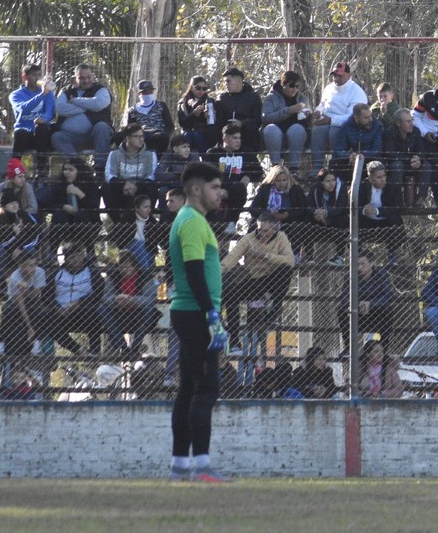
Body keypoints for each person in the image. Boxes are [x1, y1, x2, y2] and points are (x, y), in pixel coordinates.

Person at [168, 160, 231, 482]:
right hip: (195, 313)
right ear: (196, 189)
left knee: (188, 390)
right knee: (206, 390)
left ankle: (181, 466)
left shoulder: (193, 219)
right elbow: (194, 271)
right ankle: (201, 466)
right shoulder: (192, 221)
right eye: (215, 187)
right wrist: (212, 316)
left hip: (190, 312)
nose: (221, 193)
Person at [220, 211, 295, 354]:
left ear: (275, 229)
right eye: (260, 229)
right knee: (230, 292)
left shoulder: (281, 237)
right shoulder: (248, 239)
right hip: (254, 280)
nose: (262, 234)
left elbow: (290, 260)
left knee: (286, 270)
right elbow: (232, 257)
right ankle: (234, 341)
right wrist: (219, 271)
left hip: (274, 279)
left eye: (266, 231)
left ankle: (274, 311)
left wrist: (265, 255)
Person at [98, 249, 159, 356]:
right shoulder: (113, 276)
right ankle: (122, 347)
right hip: (119, 313)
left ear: (134, 266)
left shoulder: (144, 276)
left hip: (138, 313)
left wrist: (133, 300)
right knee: (101, 309)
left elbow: (151, 298)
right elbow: (105, 297)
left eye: (128, 266)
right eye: (121, 267)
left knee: (149, 310)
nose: (124, 269)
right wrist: (115, 299)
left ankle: (135, 347)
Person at [204, 121, 264, 227]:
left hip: (236, 190)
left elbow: (258, 170)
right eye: (234, 138)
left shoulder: (246, 152)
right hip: (217, 189)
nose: (238, 141)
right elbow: (205, 174)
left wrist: (248, 176)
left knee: (239, 188)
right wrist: (219, 190)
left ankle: (232, 223)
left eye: (239, 138)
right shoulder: (213, 153)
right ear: (225, 139)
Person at [310, 61, 368, 167]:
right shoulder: (328, 88)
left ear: (348, 75)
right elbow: (322, 104)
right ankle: (317, 167)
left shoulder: (357, 92)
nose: (336, 78)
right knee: (317, 130)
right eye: (334, 75)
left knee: (335, 131)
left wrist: (331, 120)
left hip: (347, 126)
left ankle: (336, 165)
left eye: (339, 75)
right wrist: (318, 111)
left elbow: (352, 117)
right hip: (326, 121)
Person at [339, 249, 396, 355]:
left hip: (376, 314)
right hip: (358, 314)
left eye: (363, 264)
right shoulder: (350, 276)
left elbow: (388, 295)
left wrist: (371, 304)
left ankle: (383, 348)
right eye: (357, 264)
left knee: (388, 309)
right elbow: (345, 297)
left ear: (372, 263)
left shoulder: (381, 273)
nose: (360, 267)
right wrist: (358, 305)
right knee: (341, 310)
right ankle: (349, 348)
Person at [260, 71, 310, 169]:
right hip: (276, 133)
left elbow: (305, 121)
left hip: (296, 135)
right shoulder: (271, 98)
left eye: (297, 86)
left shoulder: (302, 98)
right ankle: (276, 167)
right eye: (291, 85)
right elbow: (265, 118)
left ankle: (293, 168)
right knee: (271, 129)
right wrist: (289, 111)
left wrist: (310, 117)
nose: (294, 89)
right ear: (283, 84)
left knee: (297, 129)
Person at [104, 122, 158, 210]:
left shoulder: (150, 154)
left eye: (142, 136)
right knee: (107, 188)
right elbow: (109, 175)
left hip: (141, 188)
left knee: (152, 188)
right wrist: (123, 184)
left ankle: (145, 219)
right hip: (121, 188)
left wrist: (136, 186)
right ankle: (119, 221)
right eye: (137, 136)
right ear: (127, 138)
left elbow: (151, 176)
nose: (141, 139)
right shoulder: (114, 154)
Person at [9, 64, 56, 158]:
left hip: (41, 134)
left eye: (39, 75)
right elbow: (23, 109)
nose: (37, 78)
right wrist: (42, 95)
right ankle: (15, 168)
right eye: (34, 75)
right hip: (25, 134)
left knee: (42, 128)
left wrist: (44, 119)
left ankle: (41, 170)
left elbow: (50, 112)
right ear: (25, 77)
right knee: (20, 133)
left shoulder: (48, 93)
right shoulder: (15, 95)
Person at [211, 68, 262, 150]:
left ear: (238, 81)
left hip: (246, 133)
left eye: (228, 81)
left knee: (251, 130)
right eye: (224, 82)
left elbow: (258, 119)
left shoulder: (253, 97)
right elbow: (219, 120)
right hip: (226, 132)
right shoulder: (222, 98)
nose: (226, 84)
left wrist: (242, 123)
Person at [124, 79, 176, 154]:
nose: (148, 94)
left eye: (150, 92)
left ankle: (159, 158)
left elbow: (169, 125)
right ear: (139, 94)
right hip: (142, 136)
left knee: (163, 137)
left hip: (159, 135)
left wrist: (165, 133)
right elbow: (131, 128)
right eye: (145, 92)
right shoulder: (133, 111)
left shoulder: (161, 106)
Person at [175, 76, 214, 154]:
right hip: (188, 131)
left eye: (204, 89)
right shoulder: (183, 103)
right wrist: (193, 114)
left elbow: (213, 123)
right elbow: (182, 123)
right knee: (188, 136)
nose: (201, 91)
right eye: (198, 88)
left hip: (204, 132)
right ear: (192, 88)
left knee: (198, 135)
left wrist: (207, 115)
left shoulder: (210, 101)